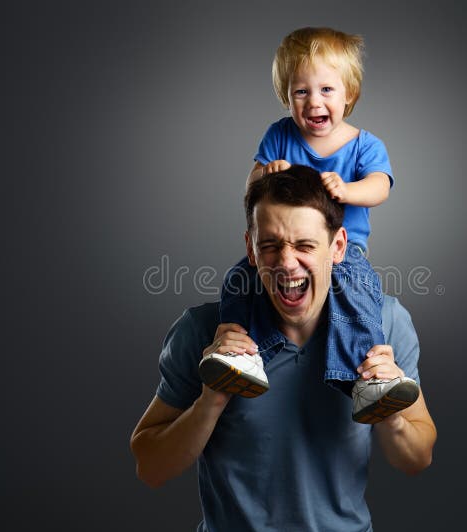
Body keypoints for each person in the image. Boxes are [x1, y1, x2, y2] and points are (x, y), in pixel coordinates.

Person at [131, 165, 437, 531]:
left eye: (305, 245)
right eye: (270, 246)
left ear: (337, 246)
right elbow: (150, 468)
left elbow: (417, 458)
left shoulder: (384, 325)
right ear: (251, 249)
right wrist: (211, 399)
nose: (286, 263)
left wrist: (390, 414)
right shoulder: (203, 333)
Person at [212, 27, 401, 422]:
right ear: (287, 97)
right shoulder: (280, 134)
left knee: (359, 292)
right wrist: (267, 172)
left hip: (342, 252)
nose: (314, 101)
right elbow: (251, 187)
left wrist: (349, 190)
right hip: (284, 243)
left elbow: (380, 186)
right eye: (301, 92)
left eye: (327, 90)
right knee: (237, 280)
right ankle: (238, 354)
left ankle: (365, 379)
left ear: (349, 94)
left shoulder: (364, 144)